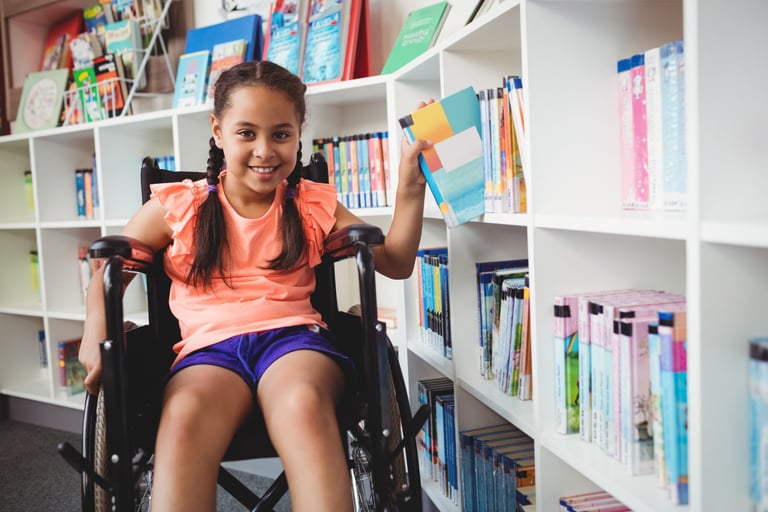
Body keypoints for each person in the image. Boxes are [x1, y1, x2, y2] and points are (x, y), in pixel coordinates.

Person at [79, 60, 432, 512]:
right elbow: (109, 270)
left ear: (298, 134)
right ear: (218, 130)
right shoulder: (180, 206)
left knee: (302, 404)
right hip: (208, 353)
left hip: (296, 343)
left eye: (280, 134)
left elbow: (397, 262)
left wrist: (409, 183)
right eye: (246, 133)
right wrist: (96, 327)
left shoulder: (310, 203)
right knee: (184, 418)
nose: (265, 150)